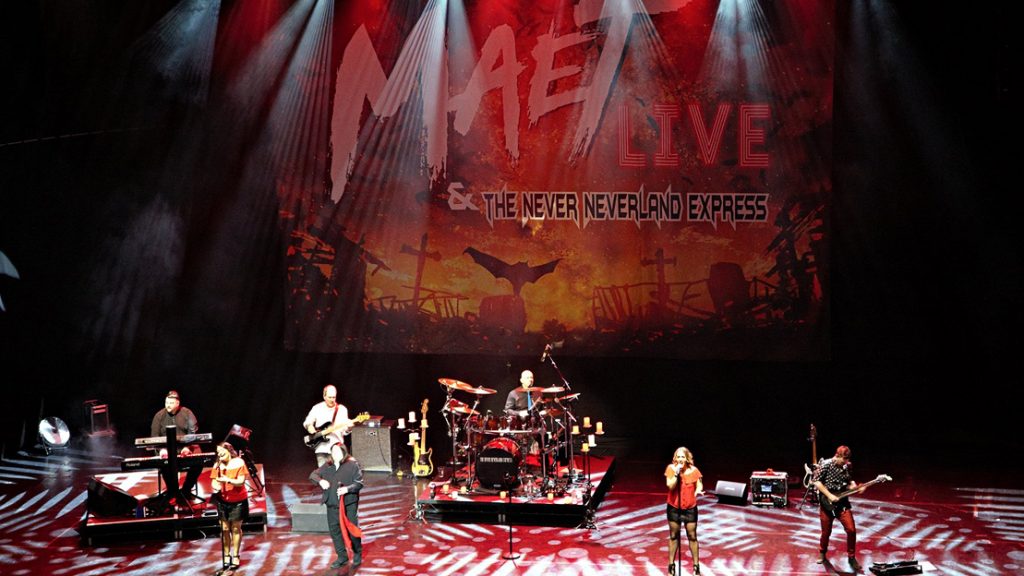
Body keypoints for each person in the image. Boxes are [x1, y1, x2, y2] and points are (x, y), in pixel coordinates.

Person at [310, 442, 364, 569]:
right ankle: (342, 557)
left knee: (352, 530)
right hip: (332, 504)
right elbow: (313, 475)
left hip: (348, 504)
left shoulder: (352, 465)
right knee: (335, 532)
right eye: (333, 452)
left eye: (338, 452)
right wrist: (320, 481)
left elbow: (359, 483)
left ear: (343, 452)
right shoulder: (328, 465)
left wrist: (347, 489)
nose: (335, 454)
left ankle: (357, 553)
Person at [812, 445, 863, 572]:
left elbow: (849, 482)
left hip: (842, 503)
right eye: (844, 459)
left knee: (851, 530)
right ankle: (822, 552)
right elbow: (816, 481)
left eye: (847, 460)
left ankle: (851, 557)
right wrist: (829, 495)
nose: (845, 462)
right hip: (827, 502)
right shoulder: (826, 464)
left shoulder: (847, 466)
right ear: (838, 456)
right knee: (826, 532)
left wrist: (855, 487)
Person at [149, 390, 202, 500]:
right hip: (166, 450)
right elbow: (154, 436)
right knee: (164, 464)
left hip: (185, 448)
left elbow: (193, 433)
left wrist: (187, 447)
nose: (168, 405)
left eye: (171, 403)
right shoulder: (159, 416)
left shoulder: (187, 413)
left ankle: (186, 490)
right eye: (166, 402)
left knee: (199, 461)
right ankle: (173, 491)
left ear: (178, 403)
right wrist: (161, 450)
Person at [211, 442, 249, 573]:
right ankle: (226, 555)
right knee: (225, 529)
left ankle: (236, 555)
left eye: (222, 452)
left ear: (229, 451)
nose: (219, 455)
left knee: (236, 528)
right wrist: (215, 485)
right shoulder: (217, 465)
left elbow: (241, 482)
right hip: (223, 501)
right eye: (218, 453)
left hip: (238, 501)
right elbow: (214, 480)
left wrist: (227, 480)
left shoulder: (239, 462)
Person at [665, 446, 704, 576]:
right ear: (675, 458)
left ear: (687, 458)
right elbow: (670, 486)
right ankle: (671, 566)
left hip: (690, 508)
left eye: (683, 456)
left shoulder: (694, 470)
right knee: (673, 536)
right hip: (674, 508)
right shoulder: (671, 469)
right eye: (678, 456)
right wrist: (677, 473)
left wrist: (698, 490)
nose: (680, 459)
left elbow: (699, 483)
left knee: (692, 536)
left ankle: (696, 566)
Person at [303, 384, 352, 467]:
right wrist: (310, 426)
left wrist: (349, 427)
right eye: (329, 397)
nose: (332, 400)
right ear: (324, 396)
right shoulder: (317, 408)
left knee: (337, 472)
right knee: (323, 472)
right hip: (321, 447)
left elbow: (344, 431)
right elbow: (308, 421)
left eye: (334, 397)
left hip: (336, 446)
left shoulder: (342, 409)